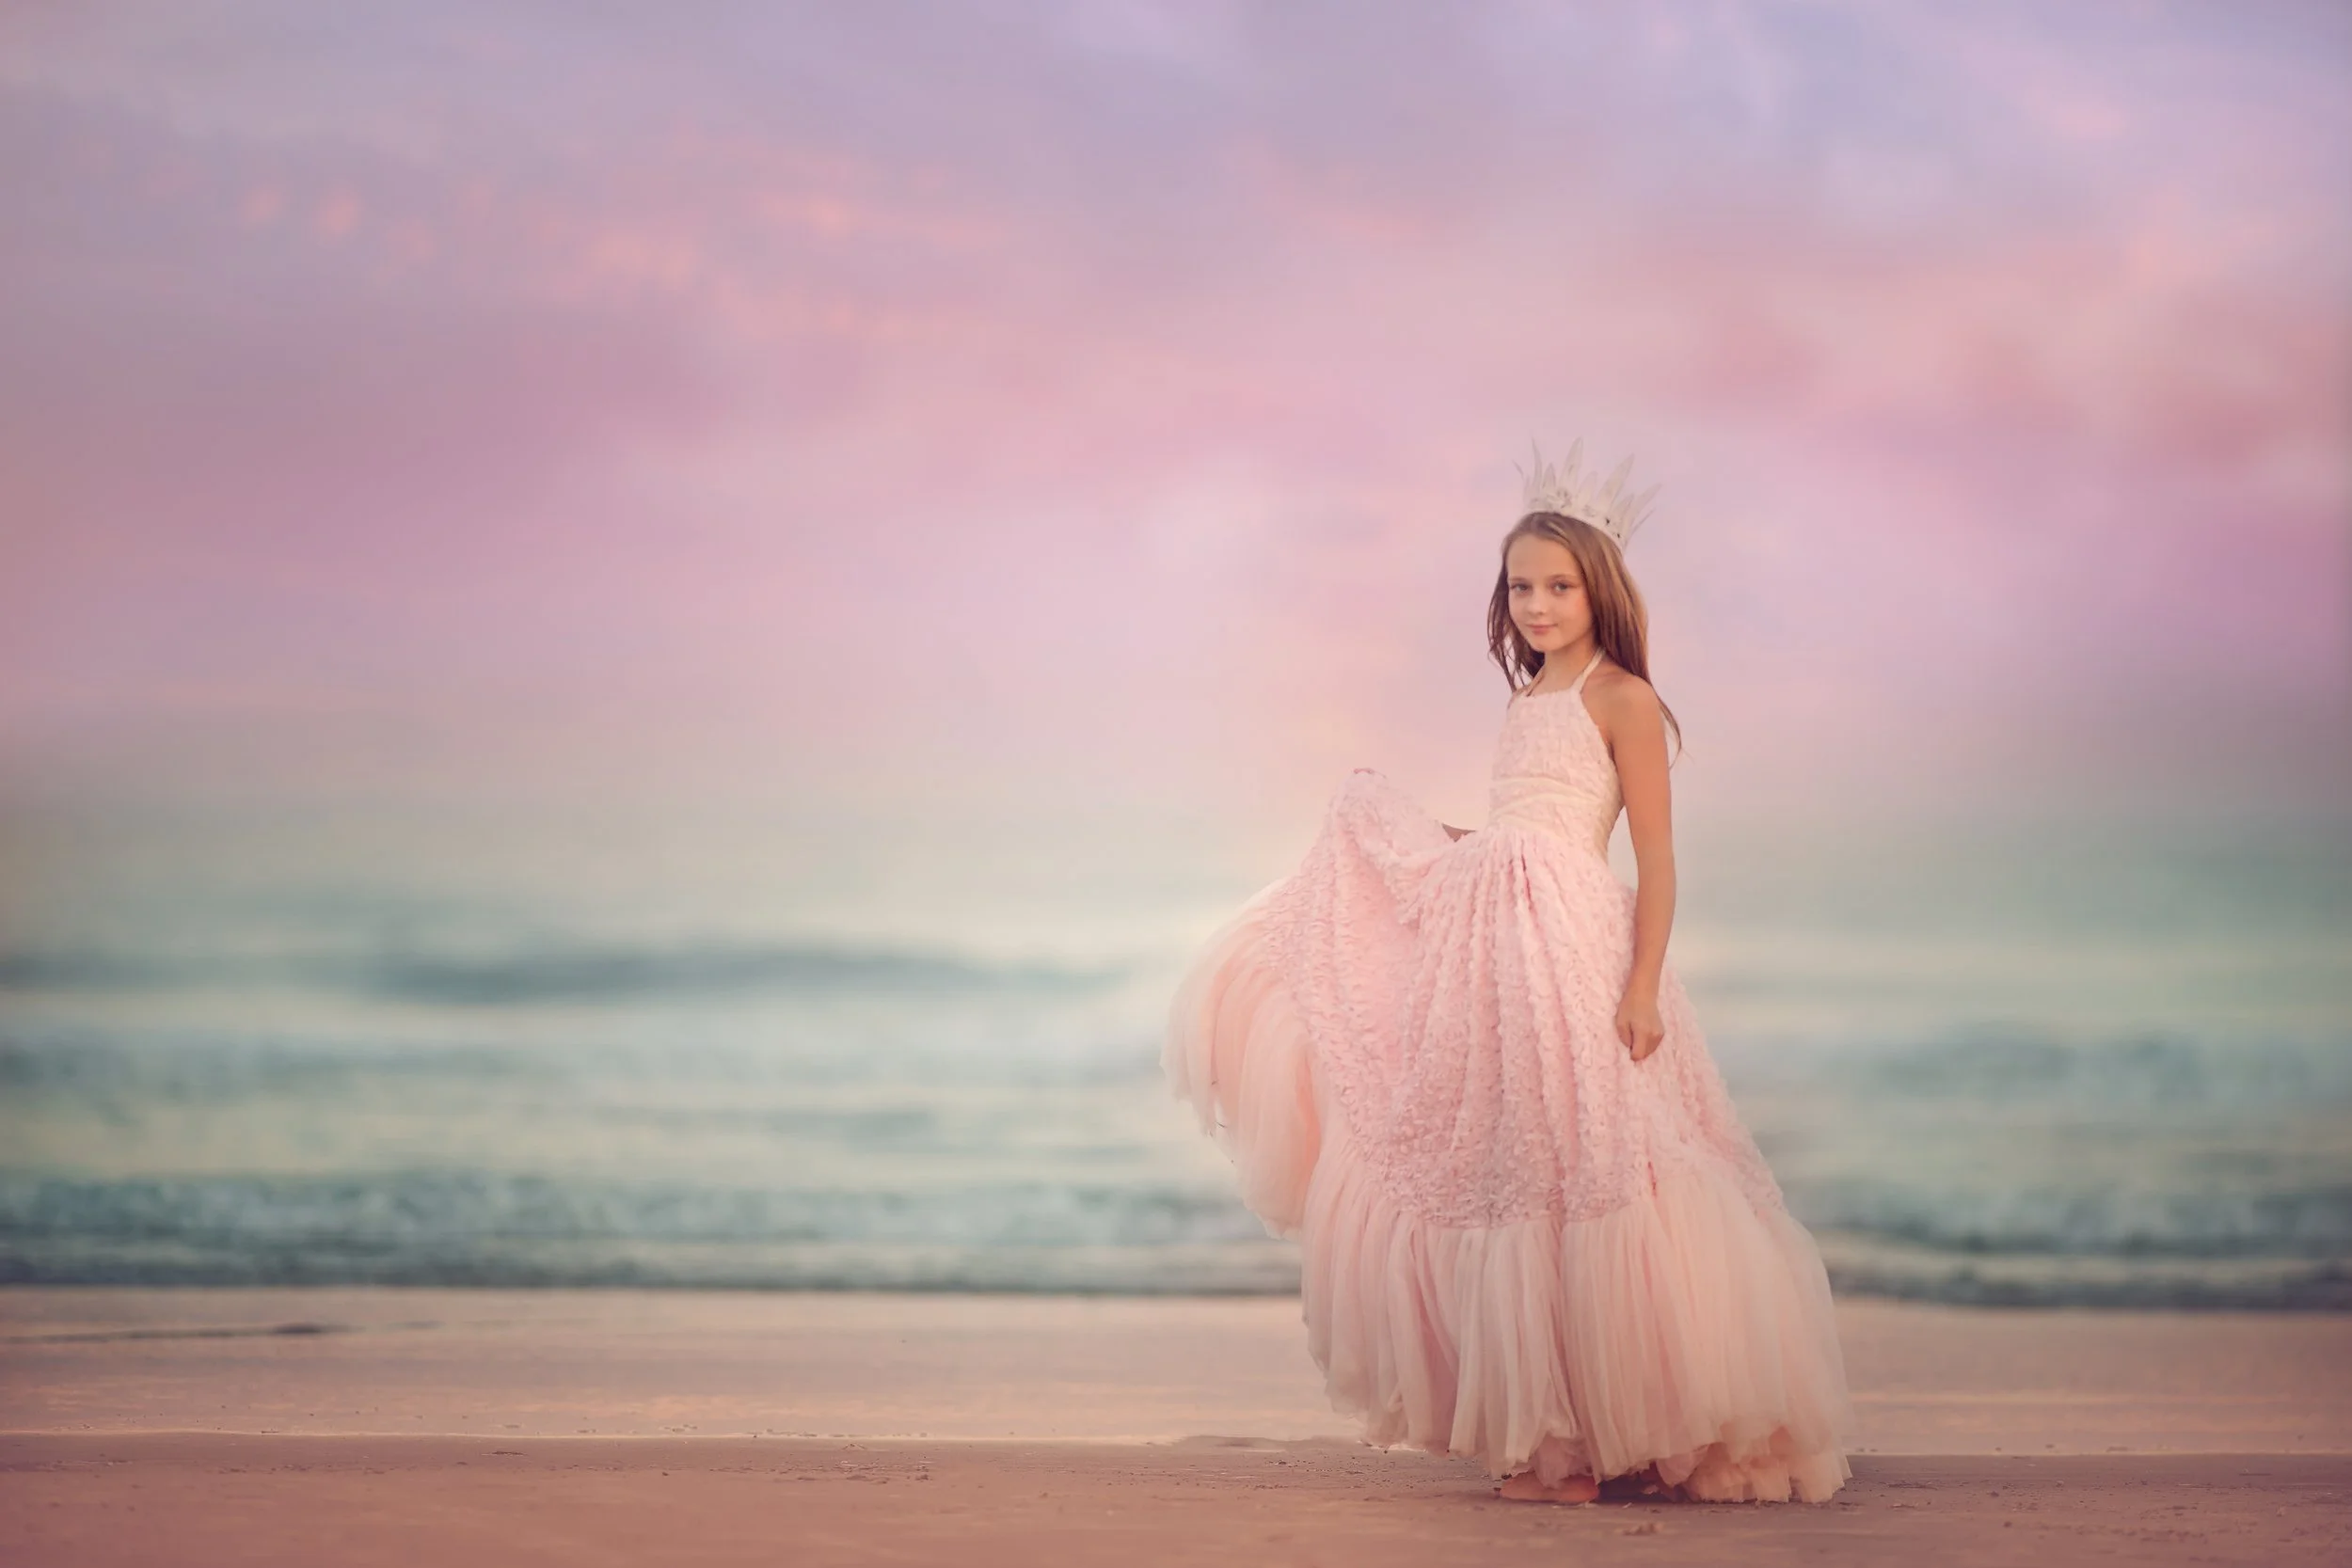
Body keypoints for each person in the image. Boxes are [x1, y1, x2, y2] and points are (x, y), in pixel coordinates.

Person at [1162, 441, 1854, 1504]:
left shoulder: (1622, 698)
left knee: (1588, 1153)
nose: (1536, 604)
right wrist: (1428, 832)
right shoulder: (1529, 697)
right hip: (1498, 940)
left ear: (1599, 589)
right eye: (1520, 585)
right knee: (1514, 1157)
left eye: (1557, 585)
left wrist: (1638, 986)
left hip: (1572, 941)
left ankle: (1606, 1433)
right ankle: (1545, 1438)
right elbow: (1515, 826)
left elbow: (1653, 861)